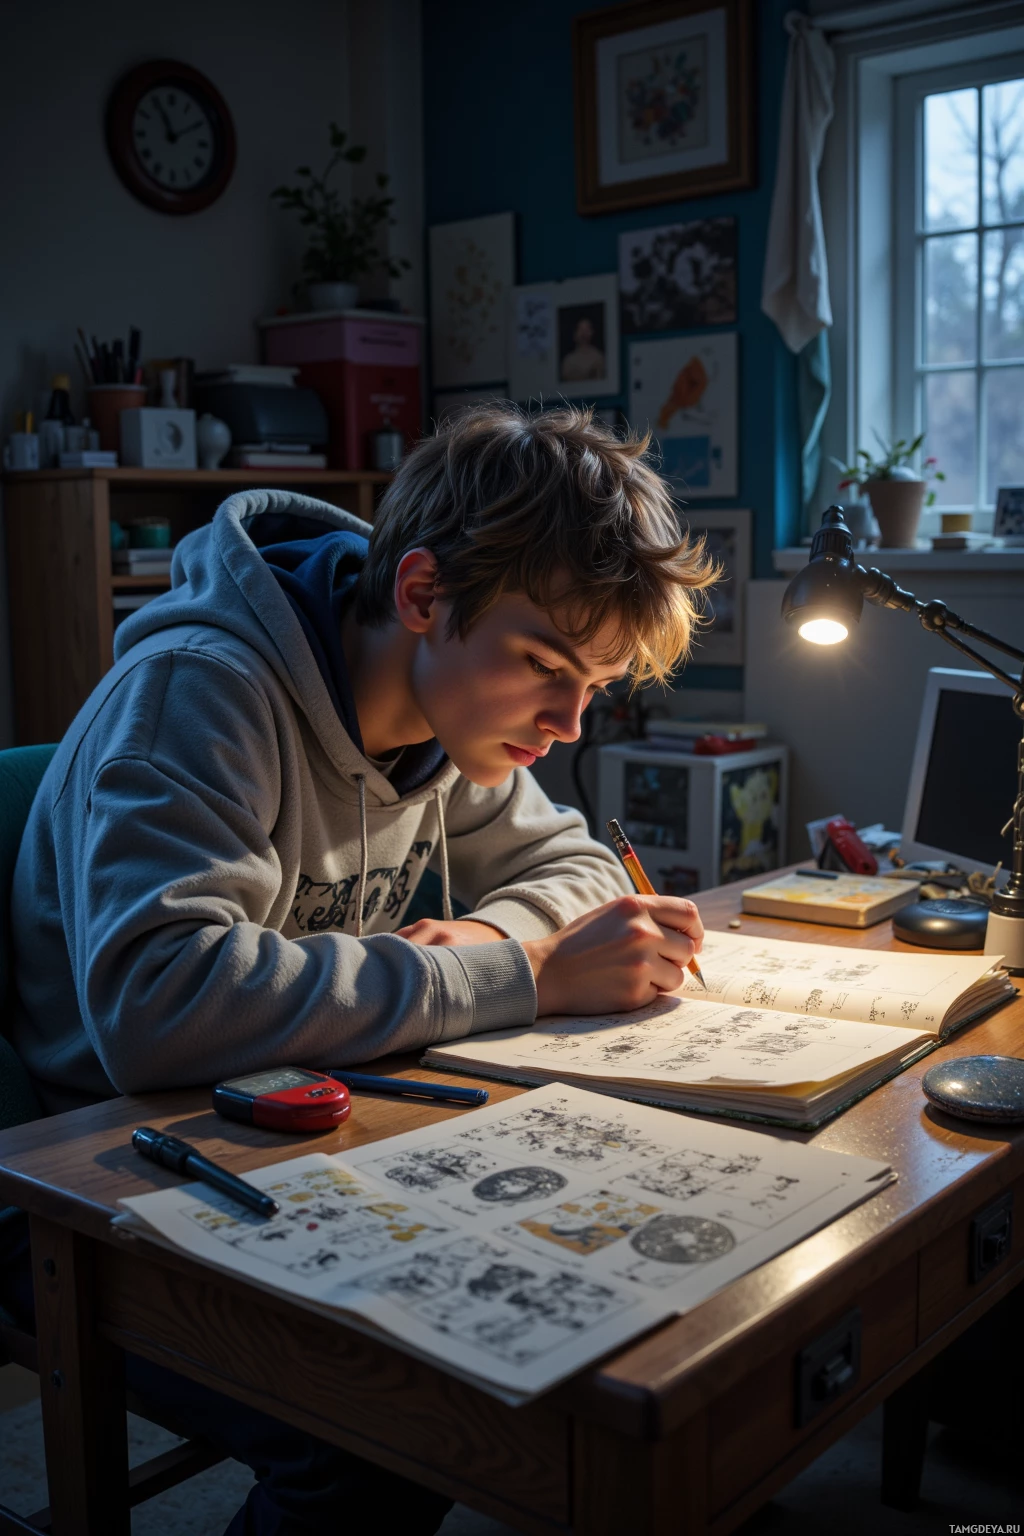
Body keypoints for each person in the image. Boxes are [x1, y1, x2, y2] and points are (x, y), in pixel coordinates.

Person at [4, 404, 715, 1534]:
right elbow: (158, 1002)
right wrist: (527, 976)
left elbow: (577, 862)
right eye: (544, 665)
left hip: (295, 1118)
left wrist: (489, 941)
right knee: (392, 1432)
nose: (569, 723)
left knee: (619, 1301)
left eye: (597, 683)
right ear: (422, 594)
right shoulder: (201, 690)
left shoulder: (452, 712)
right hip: (94, 1172)